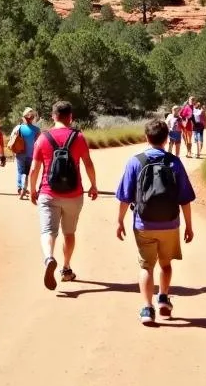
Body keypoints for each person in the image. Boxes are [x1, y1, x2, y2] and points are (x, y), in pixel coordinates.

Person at [115, 117, 196, 325]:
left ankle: (147, 308)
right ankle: (163, 298)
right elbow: (185, 198)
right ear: (166, 138)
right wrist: (188, 225)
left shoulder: (135, 161)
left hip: (144, 223)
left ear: (146, 137)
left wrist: (119, 221)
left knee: (146, 267)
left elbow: (125, 196)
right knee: (166, 264)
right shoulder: (174, 162)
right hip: (170, 223)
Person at [29, 101, 99, 290]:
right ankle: (66, 268)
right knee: (69, 233)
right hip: (74, 194)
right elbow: (88, 163)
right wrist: (93, 185)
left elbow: (34, 168)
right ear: (70, 117)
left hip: (48, 192)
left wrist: (32, 189)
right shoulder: (79, 137)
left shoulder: (43, 138)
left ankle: (49, 258)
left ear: (53, 116)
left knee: (48, 231)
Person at [9, 107, 41, 199]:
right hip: (31, 154)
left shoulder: (18, 128)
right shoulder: (37, 130)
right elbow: (39, 143)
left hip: (20, 153)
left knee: (20, 171)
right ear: (33, 118)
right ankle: (24, 187)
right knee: (27, 172)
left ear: (23, 117)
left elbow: (12, 140)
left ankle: (20, 188)